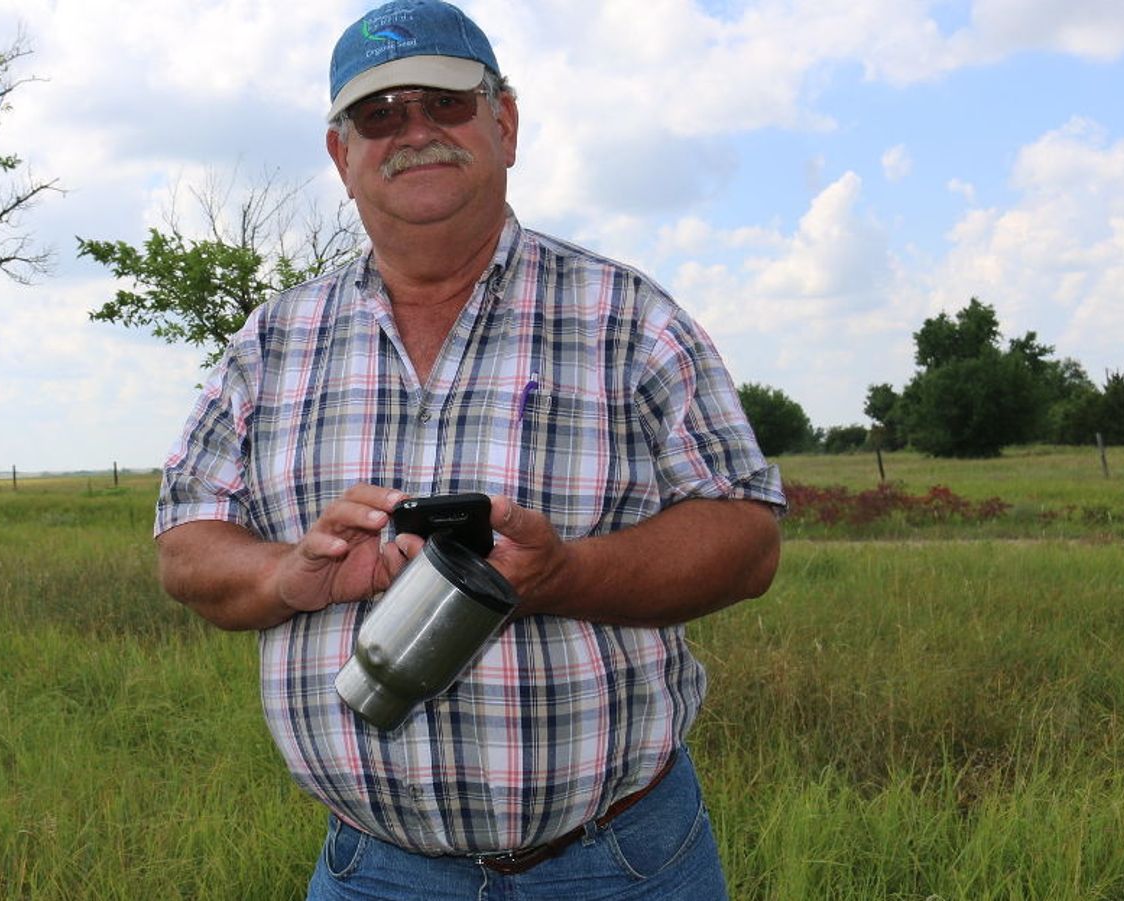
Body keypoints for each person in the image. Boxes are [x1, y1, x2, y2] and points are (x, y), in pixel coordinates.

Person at [153, 1, 784, 896]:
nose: (414, 132)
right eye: (379, 115)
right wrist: (286, 574)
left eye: (446, 104)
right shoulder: (272, 342)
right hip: (374, 871)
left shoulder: (629, 315)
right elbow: (186, 542)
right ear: (342, 156)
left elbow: (748, 539)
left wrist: (564, 573)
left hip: (619, 865)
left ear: (505, 123)